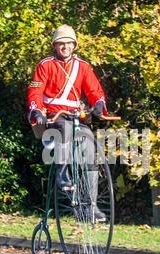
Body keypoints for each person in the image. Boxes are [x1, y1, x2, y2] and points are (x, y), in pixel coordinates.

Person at [27, 24, 107, 220]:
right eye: (61, 43)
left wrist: (98, 104)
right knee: (65, 130)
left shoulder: (83, 67)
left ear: (74, 45)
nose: (65, 47)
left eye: (69, 43)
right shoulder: (45, 65)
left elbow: (95, 91)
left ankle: (91, 205)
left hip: (75, 115)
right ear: (55, 46)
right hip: (54, 116)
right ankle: (63, 174)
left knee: (90, 149)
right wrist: (36, 110)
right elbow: (35, 91)